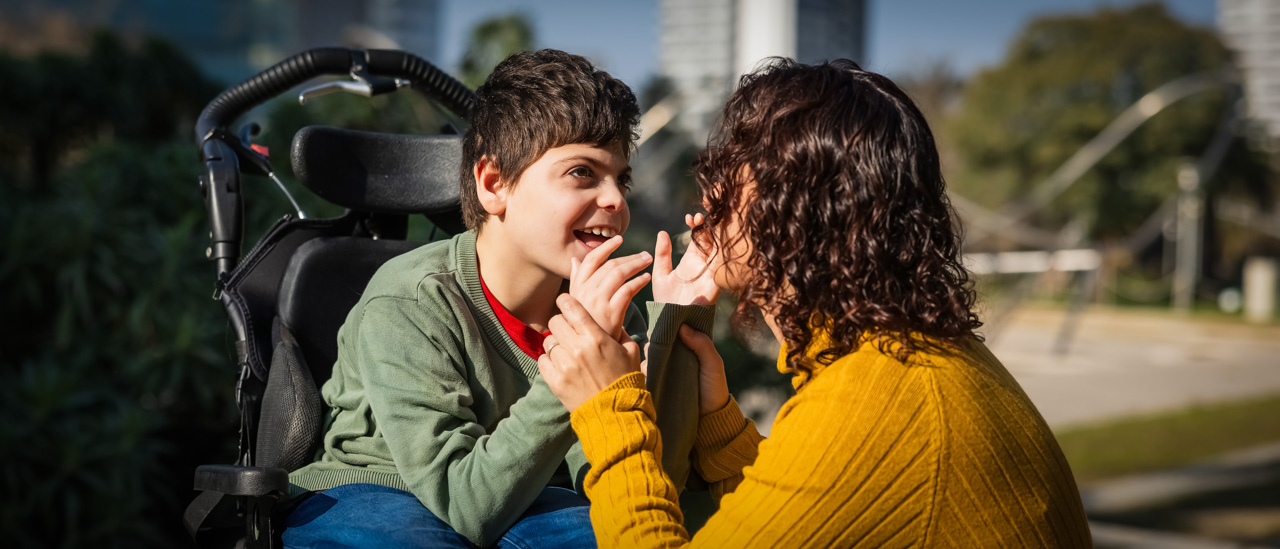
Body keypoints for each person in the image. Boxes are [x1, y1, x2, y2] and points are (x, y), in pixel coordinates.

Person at [537, 59, 1094, 547]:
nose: (707, 202)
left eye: (728, 181)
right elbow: (817, 511)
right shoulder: (909, 358)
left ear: (793, 211)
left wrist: (609, 407)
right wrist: (721, 426)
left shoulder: (876, 408)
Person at [283, 49, 714, 549]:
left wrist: (680, 319)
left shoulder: (609, 309)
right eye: (582, 172)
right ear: (494, 184)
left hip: (530, 502)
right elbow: (467, 501)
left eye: (622, 178)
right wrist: (571, 374)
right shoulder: (411, 301)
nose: (616, 198)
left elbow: (647, 484)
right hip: (374, 493)